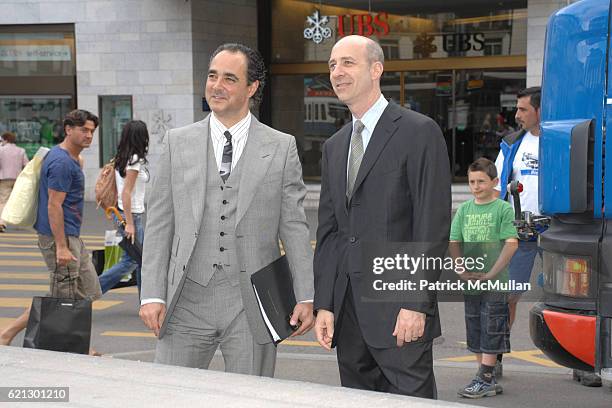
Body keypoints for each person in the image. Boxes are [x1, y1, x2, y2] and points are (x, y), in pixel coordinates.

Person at [138, 43, 314, 377]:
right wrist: (151, 294)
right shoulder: (177, 142)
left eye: (229, 78)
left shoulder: (281, 147)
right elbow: (159, 223)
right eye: (212, 76)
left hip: (251, 303)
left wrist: (305, 294)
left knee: (251, 398)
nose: (217, 86)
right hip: (185, 299)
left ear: (251, 88)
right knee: (169, 395)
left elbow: (294, 226)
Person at [313, 35, 451, 398]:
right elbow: (330, 234)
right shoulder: (334, 146)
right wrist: (325, 303)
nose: (337, 72)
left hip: (399, 312)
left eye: (347, 63)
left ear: (376, 70)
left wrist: (415, 303)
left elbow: (431, 225)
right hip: (348, 314)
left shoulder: (419, 131)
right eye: (331, 65)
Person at [0, 110, 103, 350]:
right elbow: (53, 205)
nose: (89, 135)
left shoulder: (73, 159)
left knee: (88, 289)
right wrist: (61, 247)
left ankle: (8, 333)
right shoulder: (61, 162)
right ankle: (69, 348)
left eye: (92, 131)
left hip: (71, 236)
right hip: (60, 238)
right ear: (68, 129)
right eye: (84, 130)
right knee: (62, 298)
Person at [449, 158, 518, 398]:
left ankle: (485, 377)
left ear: (495, 182)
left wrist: (491, 274)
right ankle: (483, 375)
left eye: (481, 181)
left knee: (492, 325)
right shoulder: (465, 210)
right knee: (475, 327)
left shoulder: (503, 209)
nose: (476, 186)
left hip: (495, 281)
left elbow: (511, 244)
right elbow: (455, 241)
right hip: (471, 283)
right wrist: (461, 270)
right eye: (471, 182)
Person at [494, 86, 544, 376]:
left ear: (540, 110)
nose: (517, 115)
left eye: (523, 109)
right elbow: (499, 186)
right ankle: (495, 358)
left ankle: (583, 364)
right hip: (521, 232)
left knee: (573, 300)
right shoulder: (512, 144)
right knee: (507, 297)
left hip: (560, 232)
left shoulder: (563, 141)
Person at [98, 120, 149, 295]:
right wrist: (130, 223)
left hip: (125, 214)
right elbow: (126, 193)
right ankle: (91, 290)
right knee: (132, 261)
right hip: (130, 215)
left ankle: (146, 301)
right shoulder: (135, 160)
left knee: (140, 259)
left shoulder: (123, 156)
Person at [0, 131, 29, 232]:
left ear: (6, 140)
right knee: (17, 201)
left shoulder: (1, 150)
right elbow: (26, 165)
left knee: (3, 200)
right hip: (17, 179)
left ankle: (2, 223)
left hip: (3, 178)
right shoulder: (21, 150)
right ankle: (20, 221)